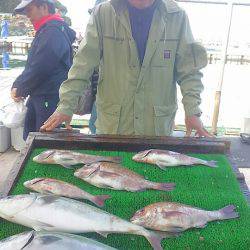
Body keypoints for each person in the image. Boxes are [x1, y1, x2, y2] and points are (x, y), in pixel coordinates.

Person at [41, 0, 211, 137]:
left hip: (157, 129)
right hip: (113, 128)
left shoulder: (178, 16)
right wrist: (66, 106)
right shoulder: (102, 14)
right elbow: (82, 64)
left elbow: (189, 70)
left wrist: (193, 111)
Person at [11, 0, 76, 140]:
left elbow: (41, 67)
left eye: (30, 10)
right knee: (32, 136)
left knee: (45, 140)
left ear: (44, 7)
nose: (28, 15)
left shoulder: (53, 31)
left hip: (49, 96)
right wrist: (17, 84)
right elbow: (32, 64)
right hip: (39, 94)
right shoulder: (47, 30)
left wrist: (20, 88)